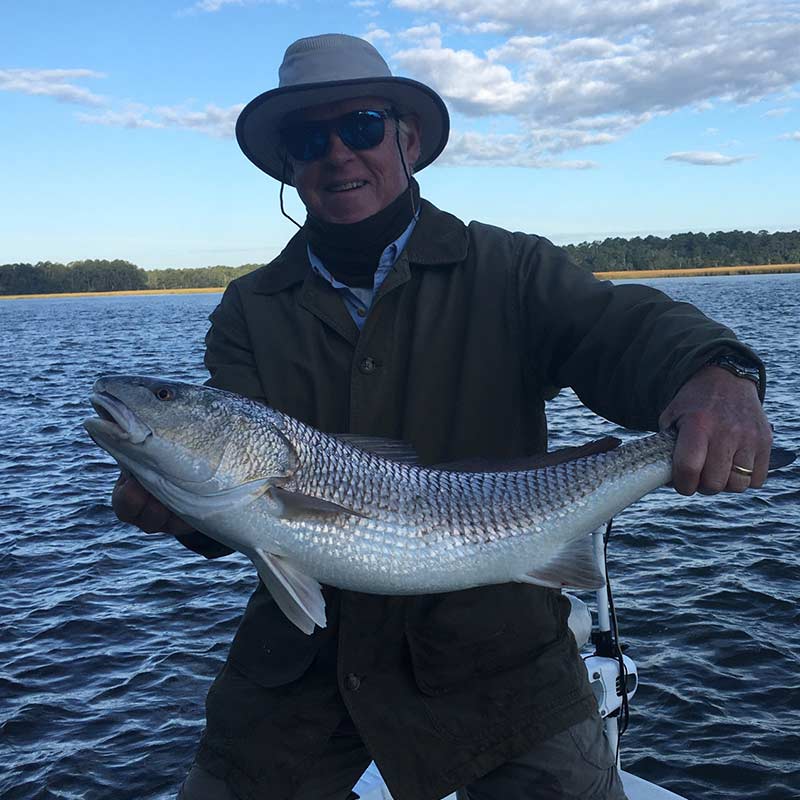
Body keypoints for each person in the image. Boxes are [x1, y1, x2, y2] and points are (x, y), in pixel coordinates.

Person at [112, 33, 773, 800]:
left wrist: (716, 370)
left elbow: (617, 329)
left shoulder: (510, 268)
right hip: (300, 667)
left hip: (500, 657)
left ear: (408, 136)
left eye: (359, 125)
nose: (336, 153)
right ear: (287, 165)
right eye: (306, 138)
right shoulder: (249, 310)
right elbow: (233, 496)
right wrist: (178, 509)